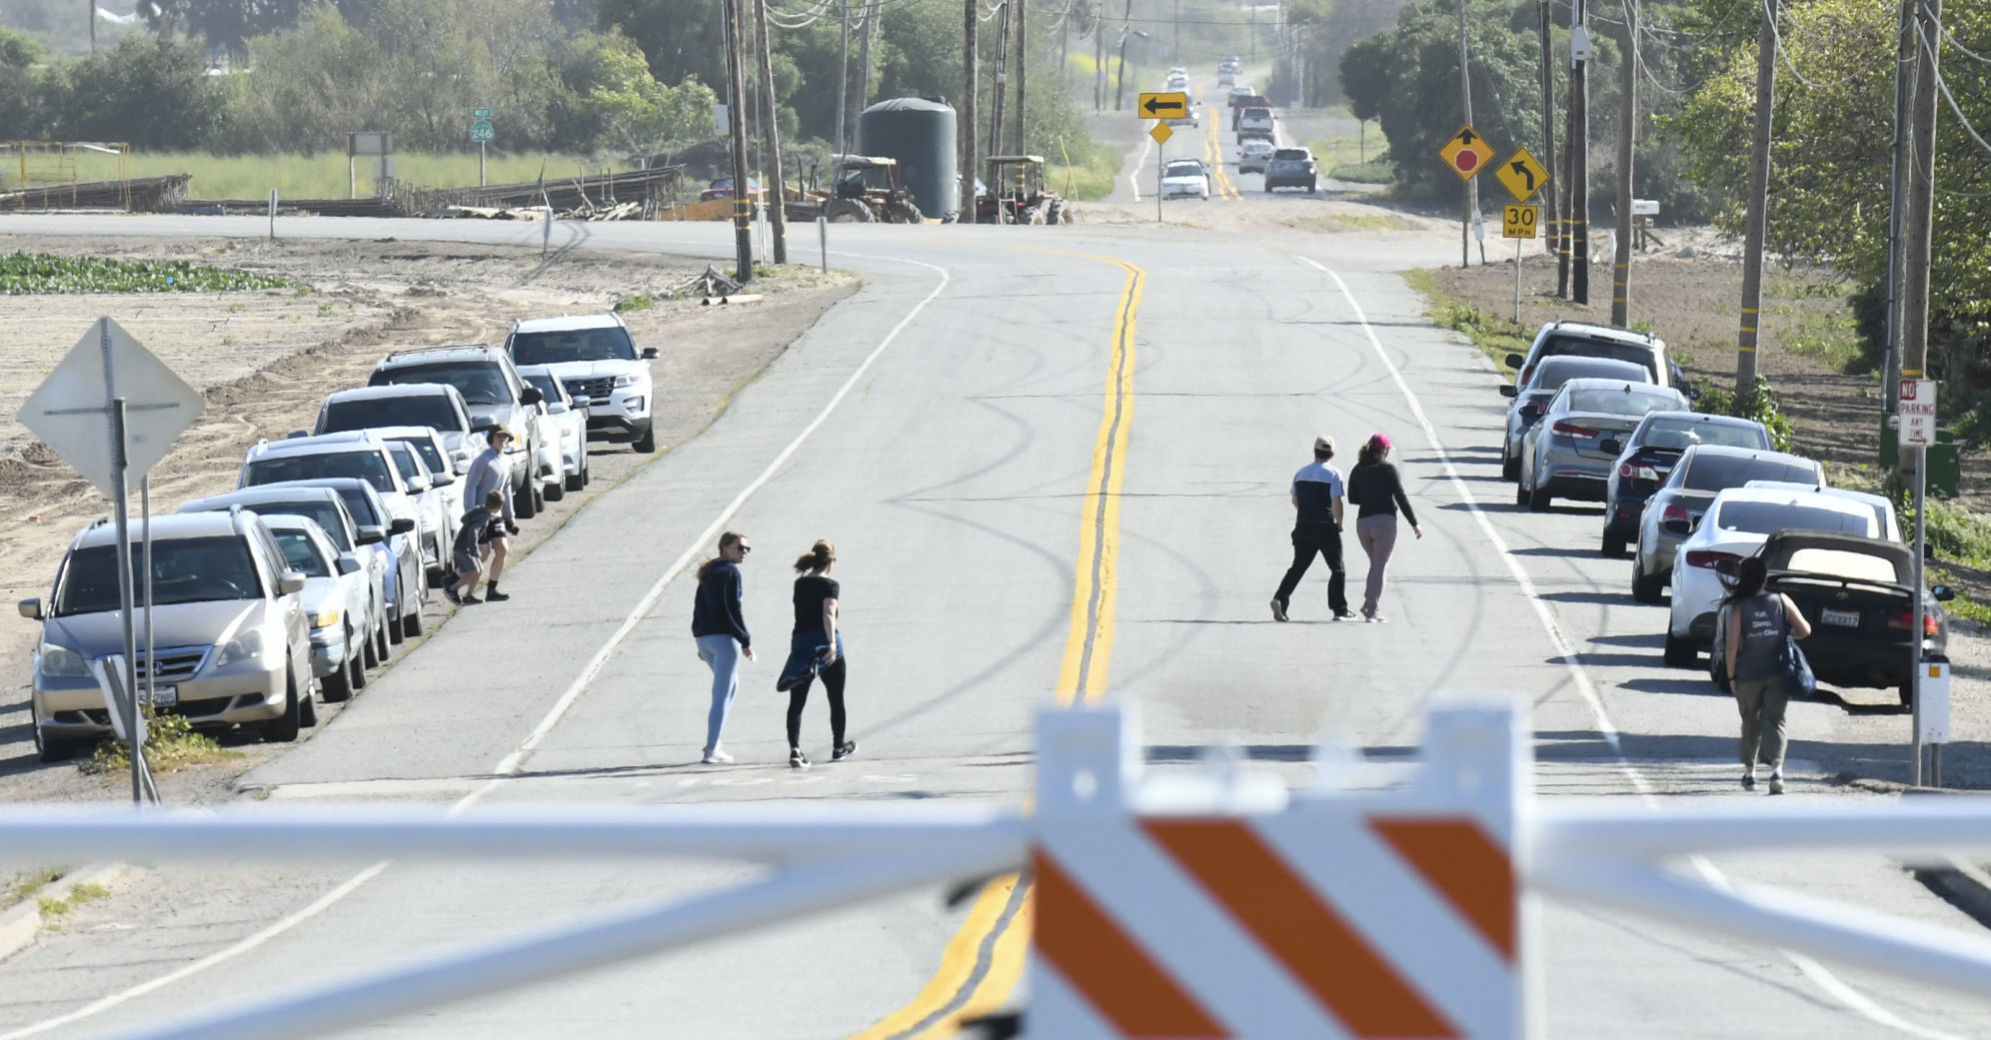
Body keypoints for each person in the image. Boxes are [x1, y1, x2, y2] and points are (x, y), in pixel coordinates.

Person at [1721, 556, 1812, 794]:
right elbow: (1805, 629)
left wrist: (1731, 677)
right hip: (1779, 672)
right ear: (1765, 578)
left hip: (1748, 674)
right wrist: (1785, 634)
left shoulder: (1739, 607)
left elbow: (1731, 646)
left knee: (1750, 721)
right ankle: (1776, 773)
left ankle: (1750, 774)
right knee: (1775, 720)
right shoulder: (1781, 600)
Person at [777, 540, 854, 768]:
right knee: (836, 697)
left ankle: (795, 750)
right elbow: (828, 613)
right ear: (831, 562)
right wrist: (831, 644)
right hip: (826, 644)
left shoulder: (799, 585)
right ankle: (838, 747)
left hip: (801, 644)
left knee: (797, 700)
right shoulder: (831, 585)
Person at [1271, 435, 1352, 622]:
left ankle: (1280, 599)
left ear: (1315, 451)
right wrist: (1340, 523)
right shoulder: (1333, 474)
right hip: (1325, 526)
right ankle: (1339, 609)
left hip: (1303, 525)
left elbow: (1295, 500)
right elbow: (1336, 501)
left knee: (1298, 566)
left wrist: (1307, 512)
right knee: (1337, 568)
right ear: (1332, 453)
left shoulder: (1300, 473)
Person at [691, 532, 754, 765]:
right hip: (724, 641)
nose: (744, 552)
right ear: (725, 547)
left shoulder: (709, 570)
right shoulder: (730, 572)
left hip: (705, 639)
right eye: (740, 547)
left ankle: (715, 743)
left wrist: (699, 638)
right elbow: (733, 610)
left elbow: (699, 606)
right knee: (720, 694)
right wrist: (745, 640)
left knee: (732, 686)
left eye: (747, 549)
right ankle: (711, 749)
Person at [1346, 433, 1423, 623]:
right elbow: (1401, 497)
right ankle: (1371, 609)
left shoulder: (1358, 469)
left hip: (1363, 524)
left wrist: (1368, 494)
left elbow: (1352, 498)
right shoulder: (1388, 469)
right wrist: (1414, 523)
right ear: (1385, 450)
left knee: (1376, 565)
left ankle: (1371, 603)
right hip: (1385, 523)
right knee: (1380, 565)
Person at [460, 427, 517, 602]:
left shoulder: (506, 461)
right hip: (481, 514)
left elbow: (506, 489)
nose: (502, 439)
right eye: (498, 436)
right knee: (482, 554)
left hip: (496, 515)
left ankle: (492, 590)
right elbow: (471, 486)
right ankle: (458, 584)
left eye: (505, 436)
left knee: (502, 549)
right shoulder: (483, 460)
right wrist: (471, 512)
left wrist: (510, 517)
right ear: (491, 438)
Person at [443, 490, 505, 606]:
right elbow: (473, 532)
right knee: (475, 570)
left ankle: (468, 595)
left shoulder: (479, 510)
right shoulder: (484, 517)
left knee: (478, 570)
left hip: (460, 546)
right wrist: (474, 549)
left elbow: (464, 519)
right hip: (464, 548)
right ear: (499, 507)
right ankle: (452, 589)